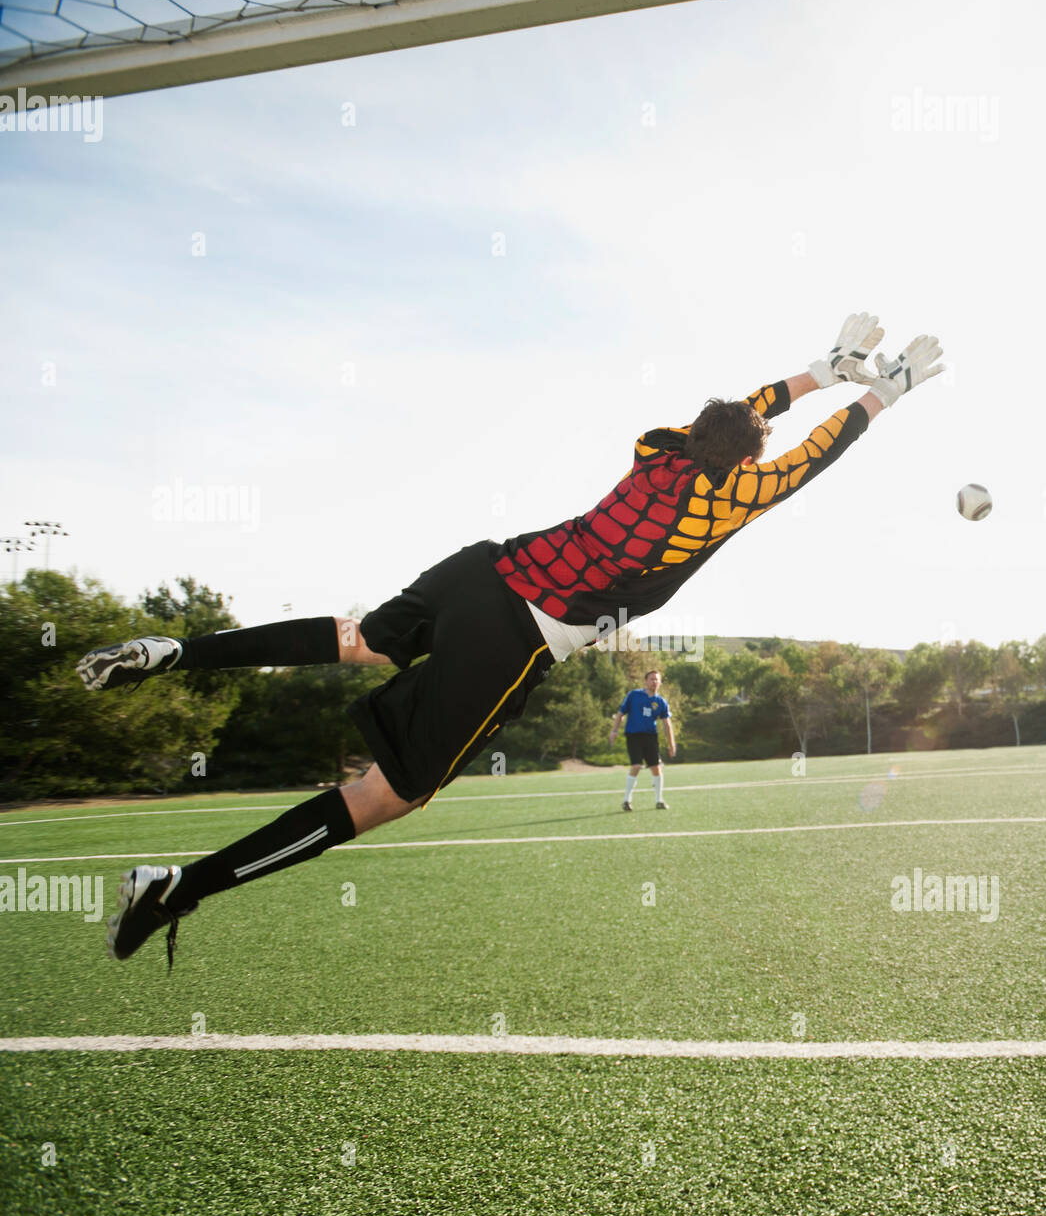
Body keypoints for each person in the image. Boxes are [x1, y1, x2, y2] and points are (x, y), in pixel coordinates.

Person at [74, 314, 943, 966]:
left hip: (484, 569)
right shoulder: (735, 496)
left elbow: (745, 412)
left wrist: (820, 371)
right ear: (746, 462)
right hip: (518, 633)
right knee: (388, 797)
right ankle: (176, 888)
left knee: (358, 638)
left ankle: (178, 651)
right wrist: (882, 391)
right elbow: (815, 454)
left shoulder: (658, 449)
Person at [610, 669, 675, 810]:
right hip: (634, 735)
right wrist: (614, 730)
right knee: (636, 766)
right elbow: (621, 713)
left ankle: (659, 800)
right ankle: (626, 800)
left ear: (660, 683)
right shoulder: (634, 695)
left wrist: (671, 744)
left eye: (657, 679)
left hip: (651, 737)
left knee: (656, 768)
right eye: (651, 679)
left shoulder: (661, 702)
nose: (654, 682)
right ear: (646, 681)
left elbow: (667, 724)